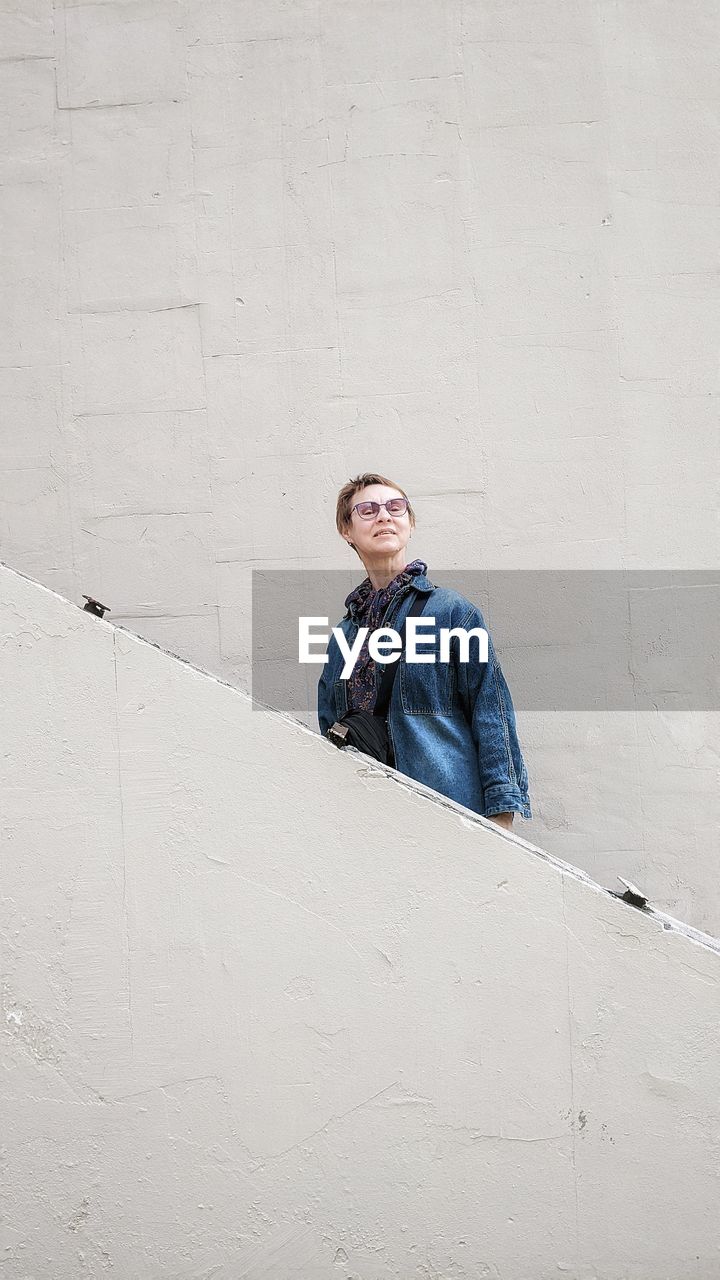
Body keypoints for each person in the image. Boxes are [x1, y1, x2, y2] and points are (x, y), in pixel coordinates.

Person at [317, 473, 531, 830]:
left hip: (448, 810)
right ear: (346, 530)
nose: (383, 516)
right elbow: (330, 729)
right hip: (368, 822)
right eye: (367, 510)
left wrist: (501, 811)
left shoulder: (451, 613)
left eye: (395, 507)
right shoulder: (345, 635)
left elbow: (491, 710)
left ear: (410, 524)